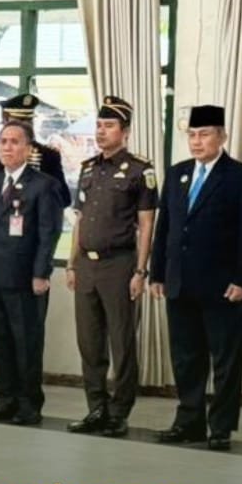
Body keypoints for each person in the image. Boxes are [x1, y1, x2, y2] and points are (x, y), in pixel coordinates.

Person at [150, 104, 242, 451]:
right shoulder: (178, 173)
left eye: (205, 134)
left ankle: (221, 427)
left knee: (225, 360)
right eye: (192, 135)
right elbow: (165, 227)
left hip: (223, 286)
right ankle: (189, 422)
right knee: (186, 357)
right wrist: (158, 272)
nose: (197, 142)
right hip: (180, 282)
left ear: (222, 136)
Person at [64, 97, 157, 437]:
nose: (101, 132)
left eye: (109, 126)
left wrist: (140, 271)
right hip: (86, 266)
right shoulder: (88, 168)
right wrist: (71, 263)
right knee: (89, 342)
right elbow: (80, 219)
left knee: (121, 341)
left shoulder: (139, 170)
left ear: (125, 131)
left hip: (119, 264)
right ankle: (96, 408)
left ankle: (119, 412)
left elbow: (146, 224)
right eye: (99, 125)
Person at [0, 122, 62, 425]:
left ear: (29, 148)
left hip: (23, 277)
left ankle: (29, 404)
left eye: (14, 142)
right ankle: (6, 398)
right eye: (3, 141)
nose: (7, 147)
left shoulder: (43, 184)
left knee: (26, 343)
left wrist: (41, 273)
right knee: (0, 341)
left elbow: (48, 233)